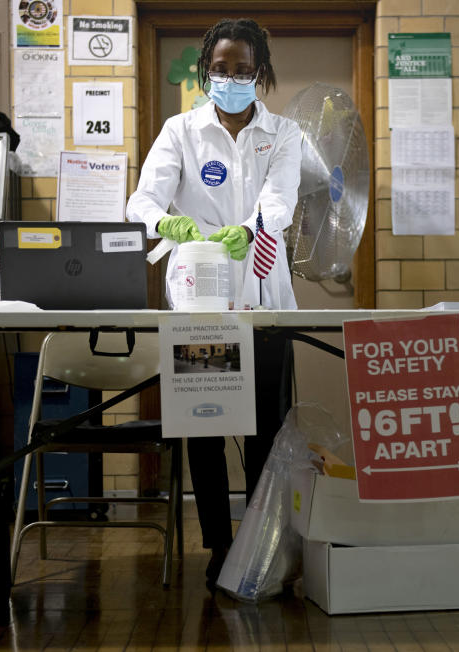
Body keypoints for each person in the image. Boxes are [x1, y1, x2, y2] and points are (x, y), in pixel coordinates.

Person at [126, 17, 300, 587]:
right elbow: (142, 201)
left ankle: (262, 545)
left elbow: (279, 203)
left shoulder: (284, 135)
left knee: (265, 428)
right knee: (204, 420)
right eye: (220, 70)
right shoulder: (181, 130)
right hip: (199, 294)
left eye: (243, 70)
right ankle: (219, 547)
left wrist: (250, 231)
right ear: (205, 72)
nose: (230, 79)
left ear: (261, 74)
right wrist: (166, 221)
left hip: (262, 291)